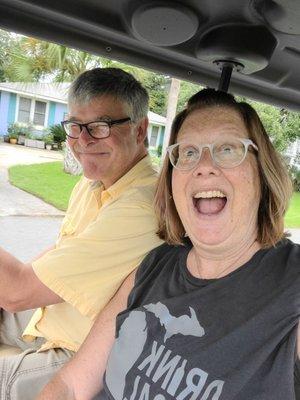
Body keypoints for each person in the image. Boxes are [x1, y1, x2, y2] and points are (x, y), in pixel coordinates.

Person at [38, 88, 300, 400]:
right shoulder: (155, 265)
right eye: (187, 153)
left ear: (262, 172)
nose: (204, 164)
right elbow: (71, 386)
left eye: (228, 149)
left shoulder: (291, 285)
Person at [0, 67, 163, 399]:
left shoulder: (142, 206)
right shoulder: (93, 185)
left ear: (140, 130)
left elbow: (17, 292)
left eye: (100, 127)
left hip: (82, 352)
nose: (83, 141)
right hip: (50, 318)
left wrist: (19, 287)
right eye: (75, 126)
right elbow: (56, 255)